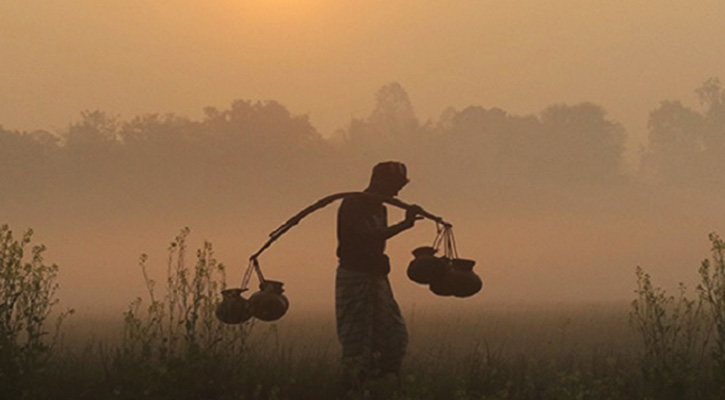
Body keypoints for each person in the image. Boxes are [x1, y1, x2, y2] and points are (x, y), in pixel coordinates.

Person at [335, 161, 423, 390]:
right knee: (357, 342)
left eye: (399, 188)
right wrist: (404, 225)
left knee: (394, 336)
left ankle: (376, 386)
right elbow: (364, 237)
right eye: (394, 186)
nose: (396, 192)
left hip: (376, 278)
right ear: (379, 181)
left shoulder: (380, 208)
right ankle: (351, 389)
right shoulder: (354, 204)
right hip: (355, 278)